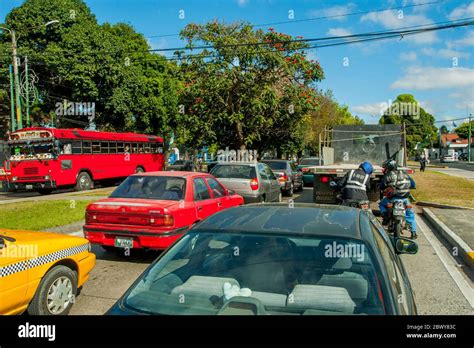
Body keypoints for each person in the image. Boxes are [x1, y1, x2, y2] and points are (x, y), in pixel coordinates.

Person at [379, 159, 417, 239]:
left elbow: (382, 185)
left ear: (389, 167)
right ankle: (413, 232)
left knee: (381, 204)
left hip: (392, 199)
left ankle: (385, 218)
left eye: (386, 167)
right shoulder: (405, 174)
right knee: (410, 214)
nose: (385, 169)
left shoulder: (388, 175)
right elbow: (413, 184)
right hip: (405, 199)